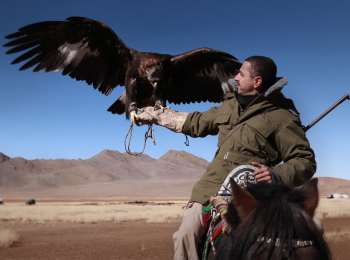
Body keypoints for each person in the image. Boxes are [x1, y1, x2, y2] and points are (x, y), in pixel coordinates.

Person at [135, 56, 316, 260]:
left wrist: (276, 174)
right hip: (209, 189)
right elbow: (196, 122)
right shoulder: (228, 106)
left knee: (302, 236)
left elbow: (305, 161)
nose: (236, 77)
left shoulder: (282, 117)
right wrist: (156, 116)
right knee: (185, 236)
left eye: (241, 74)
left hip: (253, 193)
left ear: (257, 81)